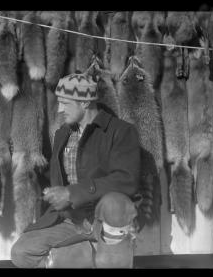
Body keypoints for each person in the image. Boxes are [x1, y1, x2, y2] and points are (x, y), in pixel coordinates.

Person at [10, 71, 141, 268]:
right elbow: (61, 175)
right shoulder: (62, 133)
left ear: (85, 103)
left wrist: (71, 193)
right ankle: (79, 256)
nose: (61, 109)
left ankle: (102, 255)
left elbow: (126, 180)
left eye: (66, 103)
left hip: (106, 217)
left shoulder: (121, 131)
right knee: (21, 252)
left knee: (115, 203)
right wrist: (47, 187)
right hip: (71, 220)